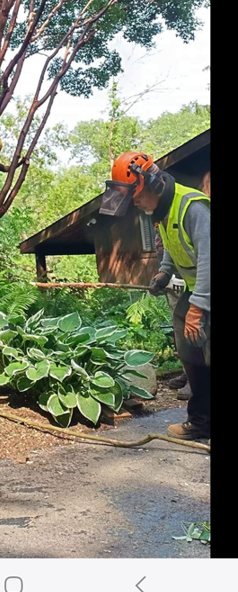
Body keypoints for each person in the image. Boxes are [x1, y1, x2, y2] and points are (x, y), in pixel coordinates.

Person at [100, 151, 210, 441]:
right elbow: (175, 246)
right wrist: (164, 271)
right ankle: (201, 421)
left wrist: (198, 308)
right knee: (189, 350)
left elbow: (209, 259)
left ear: (153, 184)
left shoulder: (193, 208)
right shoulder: (161, 212)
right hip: (196, 287)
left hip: (206, 286)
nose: (134, 202)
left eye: (135, 195)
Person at [154, 224, 191, 400]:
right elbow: (167, 250)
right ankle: (189, 372)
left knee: (196, 330)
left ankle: (199, 379)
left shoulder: (191, 210)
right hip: (175, 276)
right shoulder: (160, 217)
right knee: (180, 330)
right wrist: (163, 274)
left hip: (195, 279)